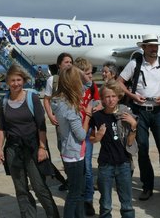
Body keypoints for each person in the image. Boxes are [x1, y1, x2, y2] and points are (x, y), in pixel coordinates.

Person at [117, 33, 160, 201]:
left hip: (158, 111)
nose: (154, 49)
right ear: (143, 47)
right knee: (143, 150)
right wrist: (132, 95)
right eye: (151, 46)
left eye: (156, 46)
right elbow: (119, 81)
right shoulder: (134, 63)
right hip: (140, 111)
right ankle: (147, 186)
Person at [0, 65, 59, 218]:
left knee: (39, 187)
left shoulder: (32, 98)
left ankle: (53, 215)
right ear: (7, 82)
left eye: (19, 80)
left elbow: (41, 125)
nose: (16, 83)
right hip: (13, 149)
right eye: (12, 80)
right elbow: (1, 128)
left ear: (23, 81)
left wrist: (42, 147)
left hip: (32, 147)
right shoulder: (3, 101)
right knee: (21, 188)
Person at [90, 81, 137, 218]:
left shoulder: (125, 114)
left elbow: (129, 142)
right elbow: (92, 139)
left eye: (113, 96)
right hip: (106, 164)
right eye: (107, 97)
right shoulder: (97, 116)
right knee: (105, 204)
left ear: (118, 97)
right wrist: (98, 136)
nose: (110, 99)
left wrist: (133, 125)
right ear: (102, 99)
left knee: (127, 204)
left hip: (124, 163)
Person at [51, 66, 92, 218]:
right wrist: (87, 115)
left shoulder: (61, 100)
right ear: (74, 83)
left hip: (73, 152)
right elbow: (81, 135)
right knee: (75, 194)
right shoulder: (68, 107)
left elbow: (88, 84)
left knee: (79, 192)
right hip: (73, 154)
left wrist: (74, 69)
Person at [74, 57, 103, 216]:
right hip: (74, 130)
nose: (91, 76)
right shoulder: (72, 88)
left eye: (91, 73)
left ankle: (88, 200)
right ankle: (78, 196)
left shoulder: (92, 87)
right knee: (77, 166)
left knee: (87, 166)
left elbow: (99, 103)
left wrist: (92, 108)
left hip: (88, 130)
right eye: (87, 73)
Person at [43, 52, 74, 191]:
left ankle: (80, 178)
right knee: (63, 149)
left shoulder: (76, 78)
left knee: (78, 149)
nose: (69, 64)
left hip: (75, 121)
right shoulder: (53, 80)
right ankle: (70, 178)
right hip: (60, 122)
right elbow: (47, 99)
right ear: (59, 65)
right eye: (66, 62)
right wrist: (50, 115)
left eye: (70, 62)